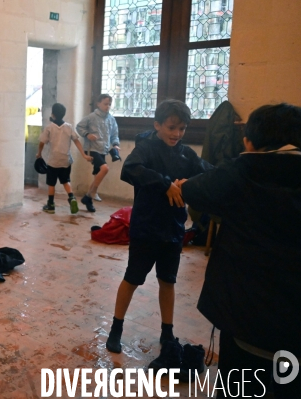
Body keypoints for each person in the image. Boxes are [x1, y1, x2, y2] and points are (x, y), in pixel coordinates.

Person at [181, 103, 301, 398]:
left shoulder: (244, 170)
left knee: (240, 389)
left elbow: (195, 191)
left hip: (248, 320)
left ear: (248, 142)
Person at [105, 100, 212, 354]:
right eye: (171, 127)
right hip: (146, 228)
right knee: (132, 278)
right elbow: (130, 169)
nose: (177, 134)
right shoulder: (146, 148)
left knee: (168, 281)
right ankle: (116, 328)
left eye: (182, 129)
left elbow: (208, 173)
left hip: (173, 230)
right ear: (157, 125)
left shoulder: (187, 154)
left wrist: (190, 183)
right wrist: (166, 184)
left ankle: (167, 332)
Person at [36, 102, 92, 214]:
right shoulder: (69, 127)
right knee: (66, 181)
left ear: (52, 114)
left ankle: (50, 205)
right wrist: (84, 155)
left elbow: (42, 142)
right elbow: (76, 141)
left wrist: (39, 153)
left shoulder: (49, 128)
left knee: (51, 183)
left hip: (53, 161)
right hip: (66, 160)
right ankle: (72, 198)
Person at [76, 93, 120, 211]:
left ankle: (89, 198)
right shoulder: (91, 117)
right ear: (98, 104)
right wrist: (87, 134)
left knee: (97, 174)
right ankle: (88, 196)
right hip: (92, 149)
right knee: (104, 168)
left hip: (103, 149)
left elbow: (115, 134)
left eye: (110, 104)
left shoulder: (111, 119)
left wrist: (115, 145)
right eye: (105, 104)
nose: (108, 106)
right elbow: (79, 127)